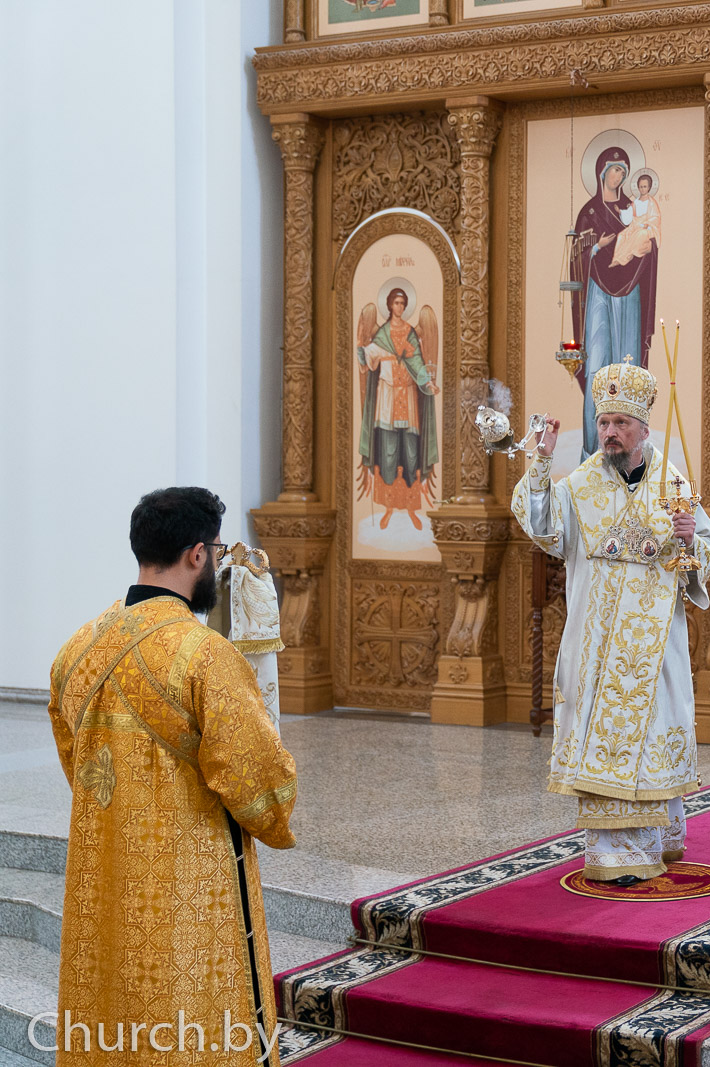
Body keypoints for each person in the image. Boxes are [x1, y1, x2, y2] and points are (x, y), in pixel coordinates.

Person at [48, 487, 298, 1066]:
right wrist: (278, 812)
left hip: (104, 876)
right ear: (197, 554)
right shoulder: (205, 656)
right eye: (216, 550)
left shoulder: (76, 650)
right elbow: (259, 784)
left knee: (111, 1017)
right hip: (191, 886)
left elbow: (79, 766)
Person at [512, 362, 710, 883]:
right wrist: (541, 461)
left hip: (657, 648)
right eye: (603, 423)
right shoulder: (580, 487)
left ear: (643, 429)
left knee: (653, 735)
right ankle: (615, 856)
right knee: (605, 739)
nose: (609, 432)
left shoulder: (674, 484)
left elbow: (704, 554)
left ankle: (659, 839)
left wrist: (690, 540)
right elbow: (541, 526)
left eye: (621, 423)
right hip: (597, 644)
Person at [571, 147, 659, 459]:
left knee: (628, 367)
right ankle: (592, 453)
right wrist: (596, 247)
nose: (618, 176)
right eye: (614, 169)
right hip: (598, 291)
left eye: (623, 171)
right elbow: (577, 256)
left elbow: (649, 241)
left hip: (630, 290)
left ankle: (631, 453)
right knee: (597, 366)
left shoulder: (631, 208)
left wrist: (646, 246)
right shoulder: (589, 212)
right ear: (601, 172)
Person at [356, 286, 440, 531]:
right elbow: (368, 356)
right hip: (387, 397)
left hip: (409, 395)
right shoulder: (383, 333)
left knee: (411, 452)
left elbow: (418, 364)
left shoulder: (411, 333)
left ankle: (412, 508)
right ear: (390, 305)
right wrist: (359, 349)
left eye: (403, 304)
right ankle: (389, 508)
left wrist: (428, 383)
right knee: (389, 451)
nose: (400, 307)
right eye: (396, 303)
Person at [610, 169, 662, 268]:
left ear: (649, 187)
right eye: (641, 187)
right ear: (638, 187)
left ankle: (627, 256)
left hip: (647, 229)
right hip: (635, 226)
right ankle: (616, 259)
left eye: (645, 187)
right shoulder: (636, 202)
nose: (642, 189)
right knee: (621, 235)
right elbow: (629, 215)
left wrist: (647, 223)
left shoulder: (651, 202)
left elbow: (656, 217)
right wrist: (620, 212)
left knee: (639, 234)